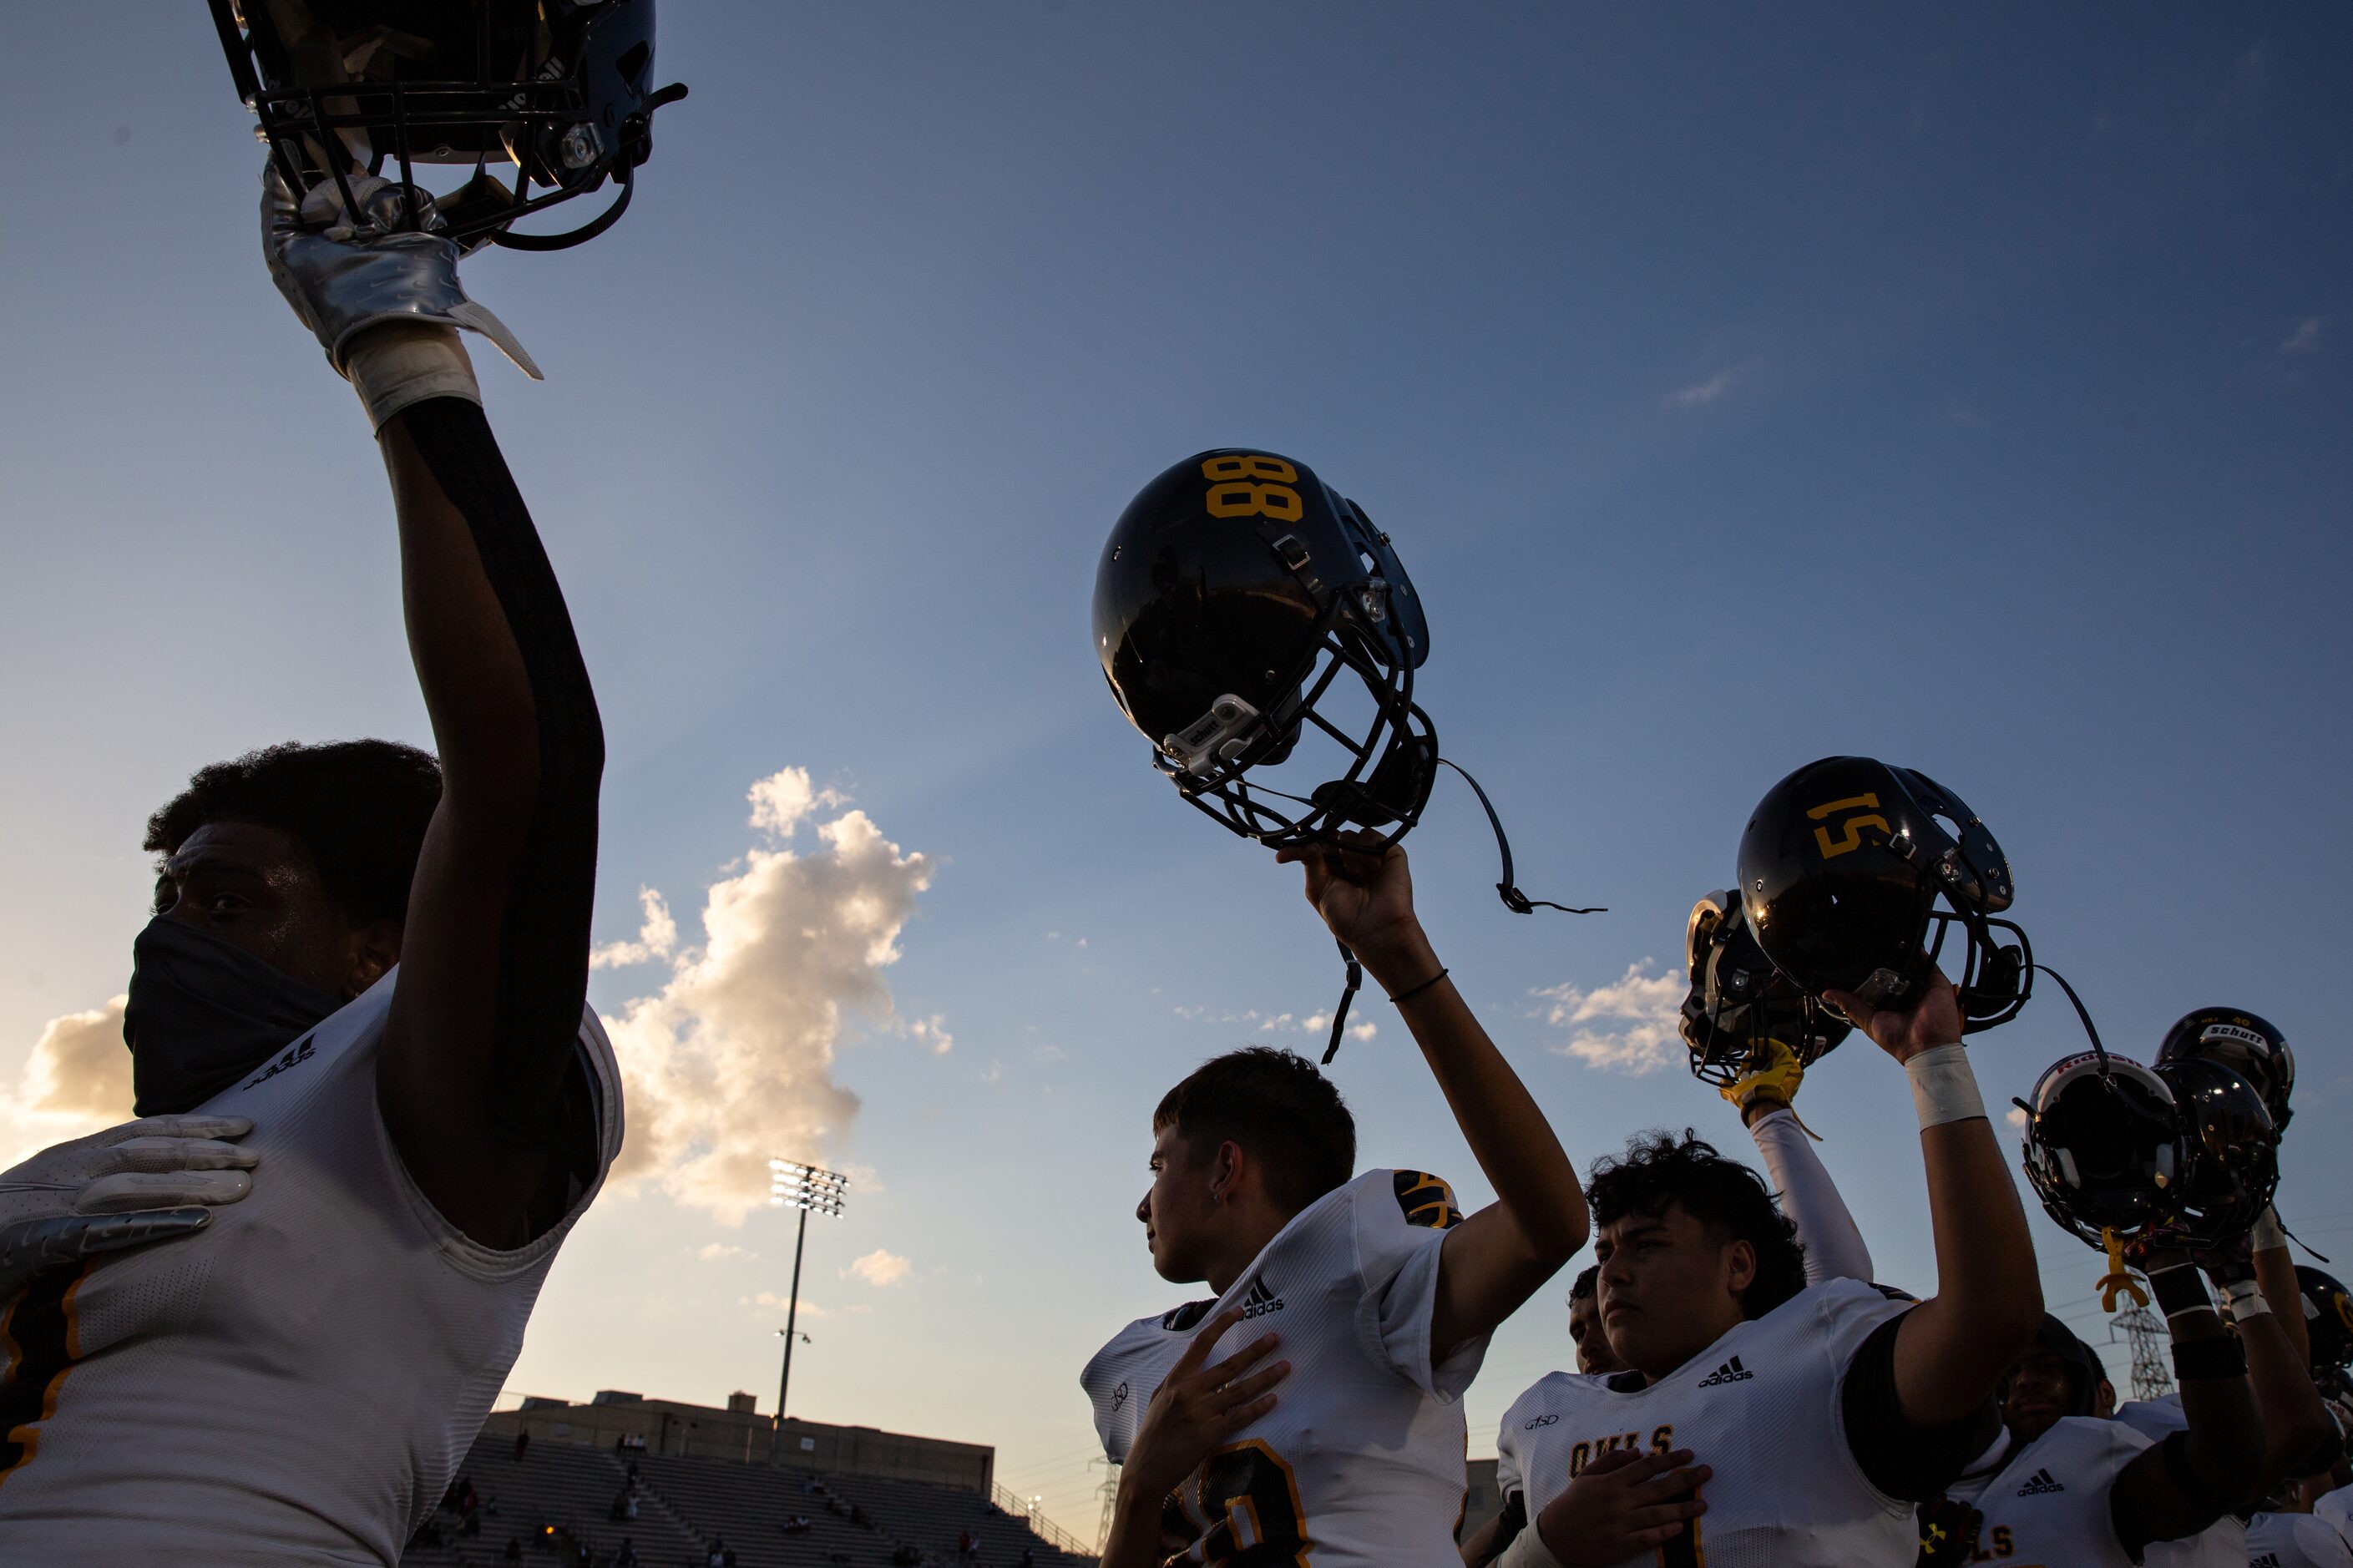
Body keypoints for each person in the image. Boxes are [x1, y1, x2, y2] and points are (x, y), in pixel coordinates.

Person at [0, 161, 621, 1560]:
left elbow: (527, 774)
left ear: (381, 947)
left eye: (229, 900)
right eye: (166, 900)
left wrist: (399, 353)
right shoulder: (86, 1178)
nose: (170, 943)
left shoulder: (409, 1109)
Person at [1084, 836, 1590, 1568]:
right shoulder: (1137, 1358)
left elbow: (1548, 1225)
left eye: (1159, 1165)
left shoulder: (1357, 1252)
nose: (1142, 1204)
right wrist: (1138, 1491)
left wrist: (1397, 952)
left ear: (1225, 1169)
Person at [1481, 969, 2044, 1567]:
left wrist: (1934, 1060)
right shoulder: (1545, 1414)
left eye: (1646, 1245)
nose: (1612, 1275)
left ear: (1739, 1265)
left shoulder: (1819, 1358)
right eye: (1605, 1253)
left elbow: (1990, 1315)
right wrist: (1538, 1553)